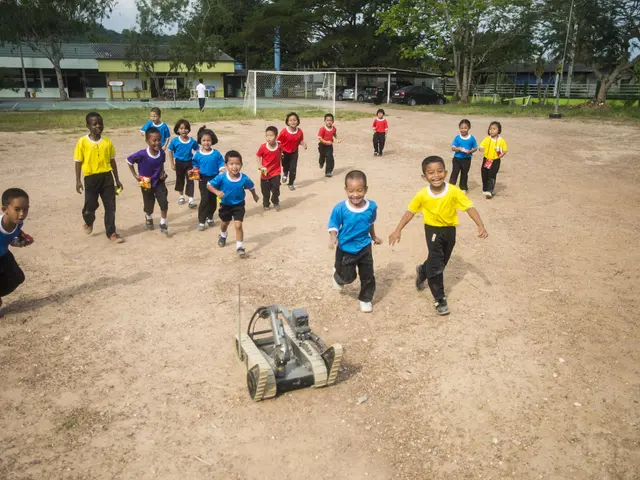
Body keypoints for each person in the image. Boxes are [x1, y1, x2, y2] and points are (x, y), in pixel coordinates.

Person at [389, 156, 488, 316]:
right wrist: (398, 229)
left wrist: (480, 225)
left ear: (446, 173)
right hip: (432, 231)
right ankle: (439, 298)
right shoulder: (422, 195)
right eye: (431, 173)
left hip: (450, 231)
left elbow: (469, 207)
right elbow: (410, 212)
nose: (436, 175)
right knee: (436, 265)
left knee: (442, 262)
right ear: (424, 177)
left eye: (440, 171)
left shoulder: (454, 191)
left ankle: (422, 270)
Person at [328, 170, 382, 313]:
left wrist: (374, 236)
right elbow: (333, 224)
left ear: (366, 189)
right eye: (351, 191)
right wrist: (333, 238)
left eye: (360, 190)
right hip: (346, 248)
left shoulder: (371, 207)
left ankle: (365, 299)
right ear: (346, 190)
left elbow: (370, 223)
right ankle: (339, 276)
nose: (355, 194)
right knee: (348, 277)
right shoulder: (340, 208)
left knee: (368, 275)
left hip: (364, 246)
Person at [74, 111, 124, 243]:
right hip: (91, 179)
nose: (98, 126)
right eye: (94, 124)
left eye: (100, 124)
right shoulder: (82, 142)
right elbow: (78, 161)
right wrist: (78, 181)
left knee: (110, 207)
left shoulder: (107, 142)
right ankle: (88, 222)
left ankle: (111, 232)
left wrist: (117, 179)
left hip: (107, 178)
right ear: (88, 126)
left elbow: (112, 161)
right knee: (90, 206)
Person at [208, 151, 259, 257]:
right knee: (225, 223)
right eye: (231, 164)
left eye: (237, 164)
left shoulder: (244, 178)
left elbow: (251, 186)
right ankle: (223, 235)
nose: (234, 167)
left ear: (241, 165)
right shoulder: (222, 177)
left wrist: (254, 195)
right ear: (226, 165)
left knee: (238, 225)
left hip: (239, 205)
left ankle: (240, 247)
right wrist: (217, 192)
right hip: (225, 205)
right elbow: (209, 185)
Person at [127, 127, 169, 236]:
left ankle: (163, 223)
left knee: (164, 202)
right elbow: (129, 161)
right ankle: (148, 216)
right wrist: (135, 175)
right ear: (147, 140)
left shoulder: (162, 153)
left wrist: (162, 173)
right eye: (154, 140)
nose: (157, 142)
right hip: (146, 183)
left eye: (159, 140)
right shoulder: (142, 154)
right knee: (149, 205)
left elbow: (161, 163)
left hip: (159, 182)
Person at [0, 188, 34, 314]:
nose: (22, 214)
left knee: (17, 277)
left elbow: (9, 239)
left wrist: (20, 242)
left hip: (4, 255)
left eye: (25, 209)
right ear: (5, 210)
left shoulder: (18, 223)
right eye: (17, 209)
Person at [192, 126, 225, 231]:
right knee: (205, 199)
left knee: (212, 200)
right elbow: (195, 165)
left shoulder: (216, 153)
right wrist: (195, 171)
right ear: (200, 141)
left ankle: (210, 217)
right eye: (204, 140)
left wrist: (222, 169)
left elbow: (221, 163)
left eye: (208, 140)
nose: (206, 143)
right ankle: (201, 220)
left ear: (212, 141)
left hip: (215, 179)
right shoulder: (197, 155)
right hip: (203, 179)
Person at [167, 119, 199, 208]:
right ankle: (181, 196)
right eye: (181, 128)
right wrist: (172, 163)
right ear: (177, 130)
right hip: (179, 163)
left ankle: (191, 199)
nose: (183, 130)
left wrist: (196, 163)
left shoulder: (192, 141)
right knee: (180, 179)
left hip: (190, 163)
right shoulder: (175, 141)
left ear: (189, 129)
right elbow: (170, 151)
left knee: (191, 180)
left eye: (185, 128)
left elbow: (197, 150)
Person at [277, 112, 307, 190]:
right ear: (287, 122)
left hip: (294, 152)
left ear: (298, 121)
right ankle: (285, 174)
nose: (293, 122)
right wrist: (279, 152)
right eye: (290, 120)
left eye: (294, 120)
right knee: (285, 165)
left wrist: (303, 144)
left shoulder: (299, 131)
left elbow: (300, 140)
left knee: (293, 168)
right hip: (284, 152)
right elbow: (279, 141)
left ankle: (291, 183)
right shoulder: (284, 131)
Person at [478, 121, 508, 198]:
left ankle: (490, 190)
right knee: (484, 173)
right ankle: (485, 188)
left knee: (492, 174)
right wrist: (481, 148)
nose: (491, 130)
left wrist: (502, 154)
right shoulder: (487, 139)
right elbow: (481, 146)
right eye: (490, 129)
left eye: (494, 129)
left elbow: (505, 150)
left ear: (499, 131)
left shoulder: (501, 140)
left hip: (495, 160)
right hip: (487, 159)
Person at [256, 126, 282, 211]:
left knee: (276, 188)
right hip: (265, 172)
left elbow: (282, 154)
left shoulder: (279, 146)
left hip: (276, 172)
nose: (269, 138)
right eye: (267, 136)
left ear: (276, 136)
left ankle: (275, 201)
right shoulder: (263, 147)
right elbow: (258, 155)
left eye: (271, 136)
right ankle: (266, 203)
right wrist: (260, 165)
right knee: (265, 191)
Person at [449, 119, 478, 194]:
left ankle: (463, 188)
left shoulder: (472, 138)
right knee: (455, 172)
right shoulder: (457, 137)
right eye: (461, 128)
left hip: (466, 159)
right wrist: (459, 149)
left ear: (469, 128)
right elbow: (453, 147)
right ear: (459, 128)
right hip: (457, 159)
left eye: (465, 128)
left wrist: (470, 151)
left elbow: (475, 148)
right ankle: (451, 187)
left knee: (464, 173)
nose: (463, 130)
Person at [318, 113, 340, 178]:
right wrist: (326, 142)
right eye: (327, 120)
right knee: (322, 156)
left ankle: (328, 172)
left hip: (329, 146)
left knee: (330, 158)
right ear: (324, 121)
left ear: (333, 121)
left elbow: (334, 134)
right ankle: (321, 162)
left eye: (331, 120)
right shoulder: (322, 129)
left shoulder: (334, 128)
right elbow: (320, 138)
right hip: (322, 145)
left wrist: (337, 139)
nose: (329, 122)